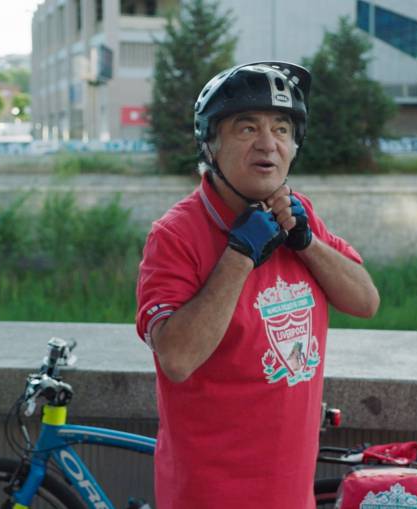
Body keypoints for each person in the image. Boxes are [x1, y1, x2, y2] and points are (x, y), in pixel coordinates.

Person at [136, 61, 380, 508]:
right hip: (209, 495)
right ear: (211, 143)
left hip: (292, 493)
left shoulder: (296, 210)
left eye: (283, 129)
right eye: (247, 128)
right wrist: (240, 254)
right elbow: (177, 357)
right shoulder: (174, 235)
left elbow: (365, 300)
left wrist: (307, 243)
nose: (268, 144)